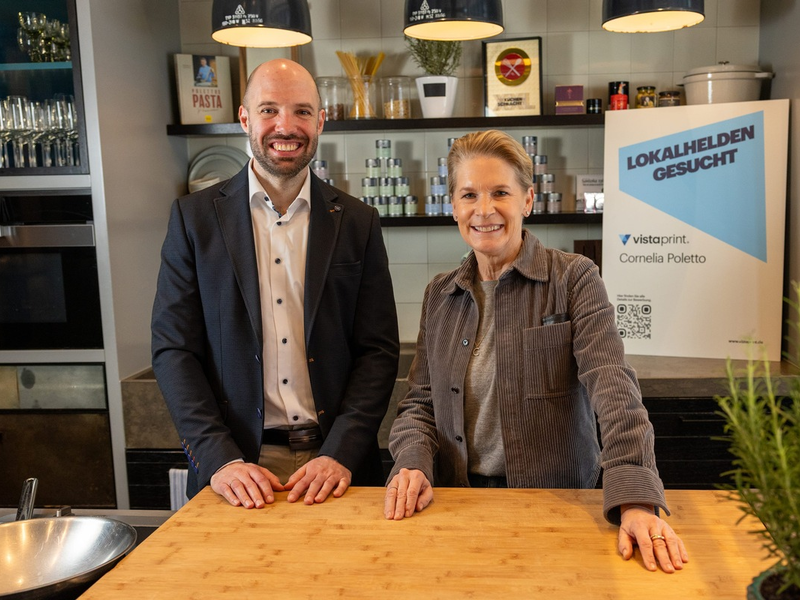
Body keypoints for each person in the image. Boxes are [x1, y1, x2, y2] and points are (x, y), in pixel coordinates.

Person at [383, 130, 688, 574]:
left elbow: (612, 385)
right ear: (453, 207)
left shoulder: (574, 278)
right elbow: (420, 404)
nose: (484, 210)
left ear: (527, 200)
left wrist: (636, 500)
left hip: (558, 502)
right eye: (469, 195)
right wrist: (412, 463)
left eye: (500, 193)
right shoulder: (440, 295)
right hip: (456, 501)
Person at [152, 59, 399, 510]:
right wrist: (220, 459)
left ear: (320, 121)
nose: (286, 126)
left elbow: (378, 351)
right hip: (237, 473)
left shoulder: (358, 222)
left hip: (337, 471)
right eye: (269, 110)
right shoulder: (193, 219)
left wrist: (340, 453)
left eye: (302, 111)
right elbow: (174, 350)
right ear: (245, 118)